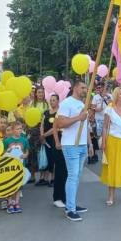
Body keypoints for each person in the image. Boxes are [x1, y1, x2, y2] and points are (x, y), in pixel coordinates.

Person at [56, 80, 92, 221]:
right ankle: (70, 209)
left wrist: (89, 144)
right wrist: (78, 117)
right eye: (82, 88)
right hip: (71, 145)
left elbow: (85, 126)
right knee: (72, 175)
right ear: (76, 88)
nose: (85, 90)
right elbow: (60, 123)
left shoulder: (83, 104)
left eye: (86, 88)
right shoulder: (66, 103)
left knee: (77, 176)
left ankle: (72, 204)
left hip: (82, 144)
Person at [3, 121, 29, 214]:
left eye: (21, 128)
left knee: (18, 185)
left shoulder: (24, 140)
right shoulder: (7, 141)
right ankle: (9, 202)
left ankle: (16, 203)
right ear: (13, 130)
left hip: (20, 166)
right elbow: (3, 153)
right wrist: (8, 151)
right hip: (10, 167)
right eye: (18, 129)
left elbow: (26, 151)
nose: (20, 130)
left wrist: (25, 155)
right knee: (10, 185)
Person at [47, 95, 68, 209]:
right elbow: (55, 127)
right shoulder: (61, 111)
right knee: (60, 170)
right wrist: (57, 142)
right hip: (60, 141)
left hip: (69, 142)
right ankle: (58, 197)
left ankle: (65, 197)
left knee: (67, 172)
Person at [40, 94, 59, 189]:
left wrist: (44, 135)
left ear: (58, 101)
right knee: (47, 157)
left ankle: (53, 178)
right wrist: (42, 136)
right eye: (51, 100)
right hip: (45, 139)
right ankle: (45, 178)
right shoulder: (46, 112)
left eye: (54, 100)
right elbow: (42, 125)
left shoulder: (59, 113)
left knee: (54, 158)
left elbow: (56, 128)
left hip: (55, 138)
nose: (52, 102)